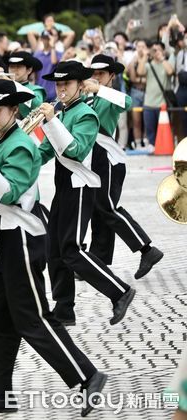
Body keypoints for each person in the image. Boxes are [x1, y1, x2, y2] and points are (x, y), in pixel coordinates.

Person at [0, 79, 106, 417]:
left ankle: (87, 376)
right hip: (9, 240)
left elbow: (8, 192)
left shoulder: (21, 145)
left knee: (33, 319)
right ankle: (0, 394)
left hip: (25, 239)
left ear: (14, 110)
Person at [37, 61, 135, 326]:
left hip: (80, 186)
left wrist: (51, 122)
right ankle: (64, 309)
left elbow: (76, 150)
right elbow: (46, 151)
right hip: (63, 186)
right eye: (57, 84)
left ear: (80, 86)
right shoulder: (63, 112)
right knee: (53, 250)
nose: (60, 90)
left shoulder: (85, 115)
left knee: (71, 250)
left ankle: (120, 291)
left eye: (66, 84)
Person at [84, 54, 164, 278]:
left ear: (112, 76)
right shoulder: (89, 97)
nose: (96, 77)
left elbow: (127, 103)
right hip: (94, 159)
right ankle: (99, 259)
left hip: (109, 159)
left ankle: (147, 249)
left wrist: (97, 89)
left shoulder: (109, 95)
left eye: (101, 73)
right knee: (98, 210)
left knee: (106, 207)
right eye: (94, 73)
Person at [6, 51, 46, 118]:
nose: (14, 70)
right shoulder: (4, 88)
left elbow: (37, 104)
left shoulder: (36, 90)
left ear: (29, 70)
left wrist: (13, 84)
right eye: (11, 66)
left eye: (19, 66)